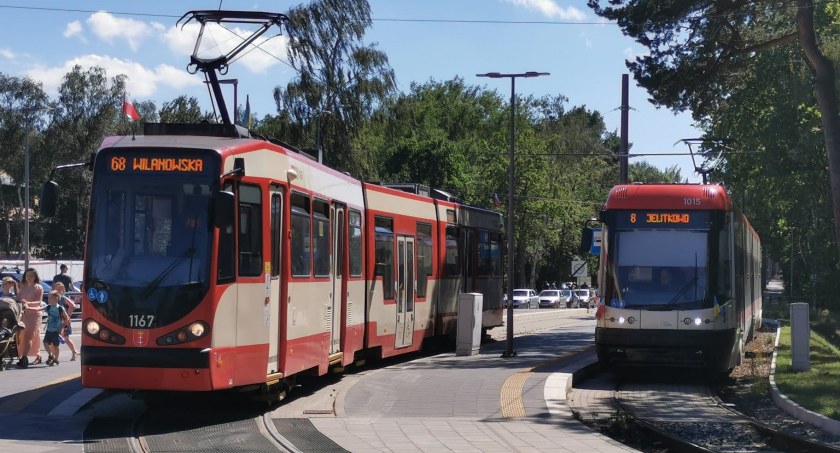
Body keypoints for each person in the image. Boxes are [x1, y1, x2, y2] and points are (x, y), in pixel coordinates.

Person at [18, 268, 44, 367]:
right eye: (27, 275)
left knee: (30, 335)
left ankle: (24, 358)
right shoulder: (22, 286)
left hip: (34, 314)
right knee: (22, 336)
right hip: (24, 313)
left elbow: (39, 302)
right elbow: (19, 297)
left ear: (35, 277)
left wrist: (27, 303)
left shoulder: (39, 287)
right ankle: (36, 355)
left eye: (31, 275)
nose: (29, 277)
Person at [52, 281, 78, 361]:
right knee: (53, 339)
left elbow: (73, 306)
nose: (58, 291)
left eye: (60, 289)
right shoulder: (52, 297)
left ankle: (74, 352)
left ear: (63, 290)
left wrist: (68, 317)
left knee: (66, 339)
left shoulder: (63, 298)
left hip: (63, 321)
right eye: (57, 289)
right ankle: (53, 356)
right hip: (55, 321)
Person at [42, 291, 70, 366]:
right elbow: (39, 309)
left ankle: (56, 359)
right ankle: (51, 355)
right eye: (48, 298)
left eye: (50, 298)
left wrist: (61, 327)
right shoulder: (48, 307)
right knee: (45, 343)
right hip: (49, 329)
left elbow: (67, 319)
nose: (49, 299)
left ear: (56, 299)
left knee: (56, 346)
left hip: (57, 330)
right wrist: (28, 307)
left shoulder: (60, 308)